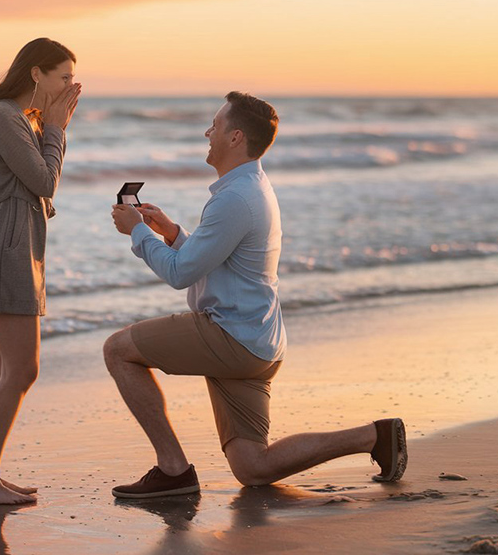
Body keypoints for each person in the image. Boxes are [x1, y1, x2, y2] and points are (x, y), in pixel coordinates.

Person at [106, 92, 407, 498]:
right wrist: (172, 233)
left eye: (215, 125)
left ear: (235, 137)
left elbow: (180, 274)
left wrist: (137, 232)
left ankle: (173, 469)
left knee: (117, 349)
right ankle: (374, 437)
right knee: (253, 468)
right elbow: (213, 260)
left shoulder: (234, 198)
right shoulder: (250, 187)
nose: (207, 132)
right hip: (257, 341)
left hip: (231, 336)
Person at [0, 38, 81, 504]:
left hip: (14, 243)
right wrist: (56, 129)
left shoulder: (16, 119)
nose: (71, 86)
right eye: (64, 77)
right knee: (23, 371)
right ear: (37, 74)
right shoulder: (6, 118)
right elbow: (44, 182)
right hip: (4, 246)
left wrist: (50, 127)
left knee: (11, 368)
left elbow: (39, 189)